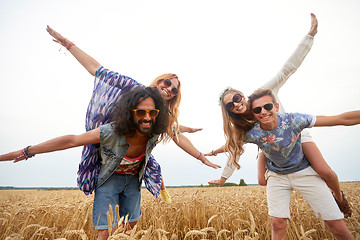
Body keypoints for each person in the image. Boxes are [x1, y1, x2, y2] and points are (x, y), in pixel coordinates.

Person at [46, 26, 220, 203]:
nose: (169, 89)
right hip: (110, 142)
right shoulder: (133, 88)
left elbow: (176, 134)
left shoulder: (163, 115)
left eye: (174, 90)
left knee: (150, 164)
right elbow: (97, 70)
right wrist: (67, 44)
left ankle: (159, 189)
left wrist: (201, 156)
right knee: (95, 173)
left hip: (133, 153)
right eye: (167, 82)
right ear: (159, 80)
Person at [205, 13, 351, 217]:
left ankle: (338, 196)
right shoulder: (240, 127)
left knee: (325, 172)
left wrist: (310, 36)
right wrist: (223, 178)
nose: (237, 104)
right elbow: (234, 149)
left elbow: (287, 70)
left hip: (294, 133)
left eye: (237, 97)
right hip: (269, 145)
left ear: (242, 94)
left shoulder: (263, 93)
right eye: (231, 105)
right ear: (228, 112)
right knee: (262, 180)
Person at [0, 87, 171, 240]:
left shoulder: (153, 132)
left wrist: (198, 152)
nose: (147, 117)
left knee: (129, 228)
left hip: (134, 180)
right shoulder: (111, 132)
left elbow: (177, 130)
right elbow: (72, 140)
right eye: (141, 112)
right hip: (109, 179)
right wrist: (27, 151)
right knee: (105, 233)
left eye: (152, 113)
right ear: (130, 113)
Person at [233, 88, 357, 240]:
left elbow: (339, 119)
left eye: (268, 106)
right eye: (258, 109)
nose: (263, 111)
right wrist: (208, 154)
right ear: (254, 114)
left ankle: (338, 196)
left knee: (336, 225)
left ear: (276, 106)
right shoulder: (253, 133)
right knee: (277, 223)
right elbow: (231, 145)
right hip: (277, 175)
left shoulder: (294, 120)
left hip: (303, 170)